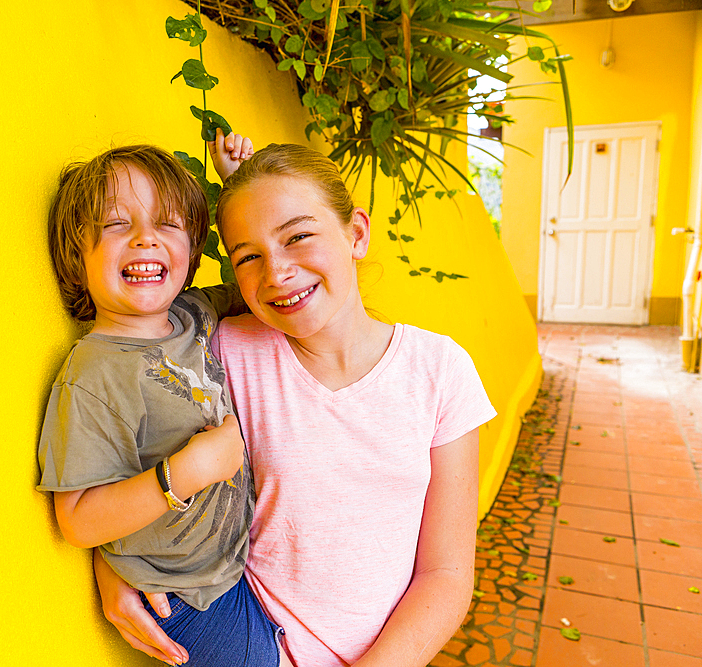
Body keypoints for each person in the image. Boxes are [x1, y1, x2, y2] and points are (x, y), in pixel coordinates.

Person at [95, 140, 496, 667]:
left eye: (299, 237)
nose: (277, 273)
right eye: (249, 257)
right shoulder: (225, 352)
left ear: (356, 233)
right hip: (252, 637)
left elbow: (445, 576)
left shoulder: (440, 370)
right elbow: (144, 466)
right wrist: (116, 569)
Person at [37, 140, 291, 667]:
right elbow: (79, 520)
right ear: (74, 257)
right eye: (115, 226)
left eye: (168, 223)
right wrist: (185, 472)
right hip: (184, 596)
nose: (145, 238)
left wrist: (239, 187)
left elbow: (258, 284)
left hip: (239, 562)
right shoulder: (93, 374)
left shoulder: (194, 312)